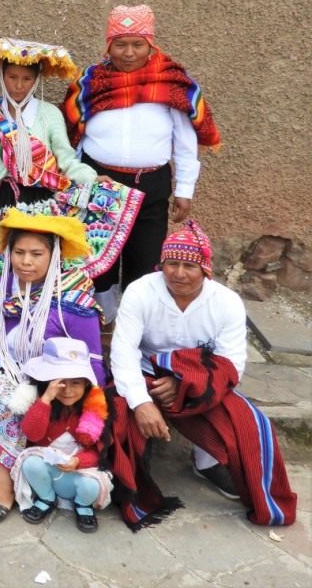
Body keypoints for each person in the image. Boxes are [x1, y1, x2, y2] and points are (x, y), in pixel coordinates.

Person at [107, 221, 296, 529]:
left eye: (189, 266)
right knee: (117, 412)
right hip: (145, 373)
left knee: (249, 420)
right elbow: (123, 351)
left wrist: (185, 383)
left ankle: (208, 462)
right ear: (161, 264)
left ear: (205, 269)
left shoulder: (226, 302)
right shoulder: (140, 291)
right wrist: (141, 402)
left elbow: (231, 363)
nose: (179, 273)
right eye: (172, 263)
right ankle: (135, 466)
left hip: (200, 381)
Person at [63, 6, 221, 317]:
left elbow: (185, 143)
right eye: (120, 44)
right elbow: (75, 137)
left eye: (138, 44)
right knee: (98, 261)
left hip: (150, 186)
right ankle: (101, 322)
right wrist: (74, 182)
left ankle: (136, 323)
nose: (129, 53)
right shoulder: (90, 83)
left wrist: (185, 190)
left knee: (146, 259)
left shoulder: (171, 83)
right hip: (100, 184)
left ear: (150, 45)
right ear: (108, 46)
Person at [0, 210, 104, 526]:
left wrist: (89, 409)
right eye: (18, 252)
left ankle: (2, 490)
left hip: (54, 385)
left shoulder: (72, 298)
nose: (26, 261)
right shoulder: (0, 289)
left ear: (54, 255)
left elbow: (93, 361)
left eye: (36, 253)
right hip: (6, 369)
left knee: (4, 402)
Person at [0, 37, 142, 287]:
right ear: (2, 76)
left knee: (32, 268)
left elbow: (66, 158)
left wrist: (91, 178)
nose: (18, 86)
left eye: (26, 79)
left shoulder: (50, 115)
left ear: (37, 80)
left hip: (37, 205)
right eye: (12, 77)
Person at [10, 338, 113, 534]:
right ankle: (46, 497)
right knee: (30, 463)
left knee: (92, 486)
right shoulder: (44, 404)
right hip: (48, 471)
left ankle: (83, 505)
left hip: (78, 474)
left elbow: (98, 453)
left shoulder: (93, 410)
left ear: (86, 383)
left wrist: (78, 461)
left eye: (76, 383)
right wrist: (46, 399)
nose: (68, 390)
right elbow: (32, 434)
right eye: (60, 383)